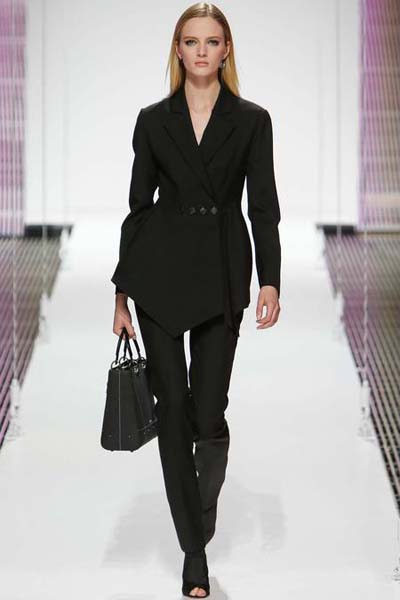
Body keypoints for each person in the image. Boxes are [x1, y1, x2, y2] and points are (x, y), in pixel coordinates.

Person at [111, 3, 282, 597]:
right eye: (191, 41)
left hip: (222, 274)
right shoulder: (153, 121)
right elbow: (138, 208)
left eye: (212, 41)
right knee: (174, 410)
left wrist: (270, 279)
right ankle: (194, 551)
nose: (202, 51)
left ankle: (196, 519)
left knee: (208, 414)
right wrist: (122, 292)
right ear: (178, 50)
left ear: (226, 49)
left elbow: (263, 207)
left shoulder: (252, 121)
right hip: (159, 275)